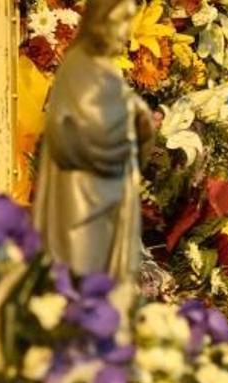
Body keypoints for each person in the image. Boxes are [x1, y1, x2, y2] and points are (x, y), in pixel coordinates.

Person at [33, 0, 154, 282]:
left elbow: (116, 113)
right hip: (81, 192)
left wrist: (139, 119)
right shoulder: (78, 67)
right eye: (119, 21)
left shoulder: (105, 68)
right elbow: (71, 129)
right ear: (100, 22)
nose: (124, 32)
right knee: (80, 274)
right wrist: (129, 115)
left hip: (110, 190)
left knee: (107, 279)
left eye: (127, 22)